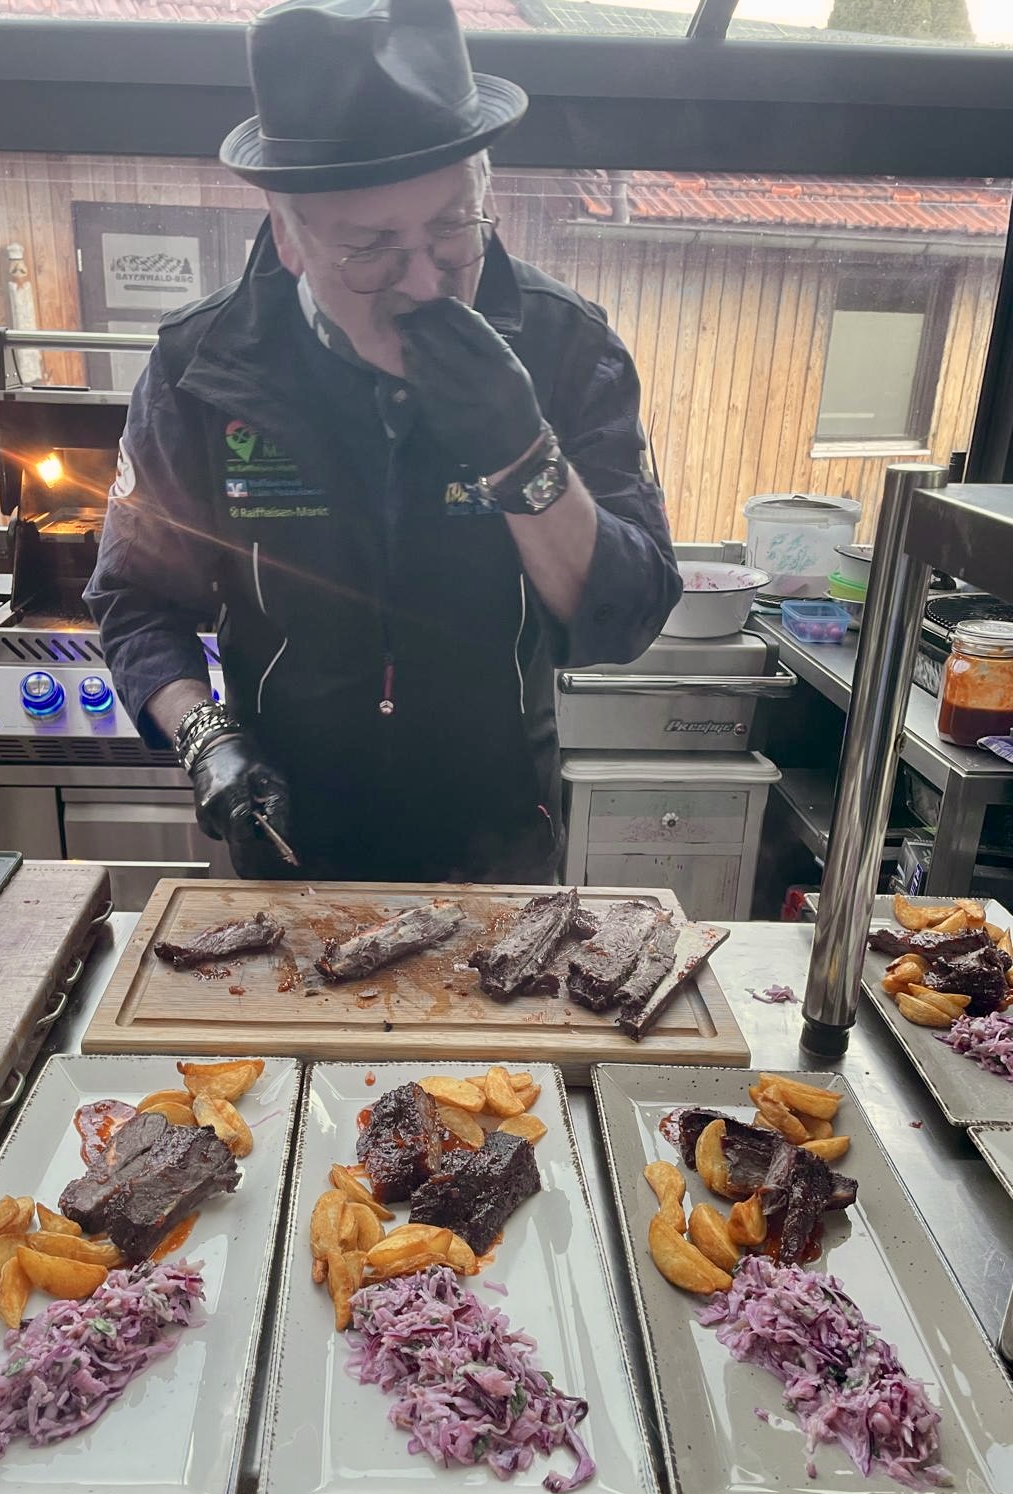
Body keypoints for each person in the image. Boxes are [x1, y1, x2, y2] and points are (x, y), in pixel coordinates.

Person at [86, 0, 681, 884]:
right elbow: (137, 601)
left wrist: (523, 454)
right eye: (371, 248)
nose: (426, 283)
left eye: (452, 228)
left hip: (496, 845)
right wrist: (206, 737)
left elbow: (624, 620)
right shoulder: (199, 366)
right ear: (289, 237)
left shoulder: (567, 344)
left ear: (486, 194)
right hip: (290, 838)